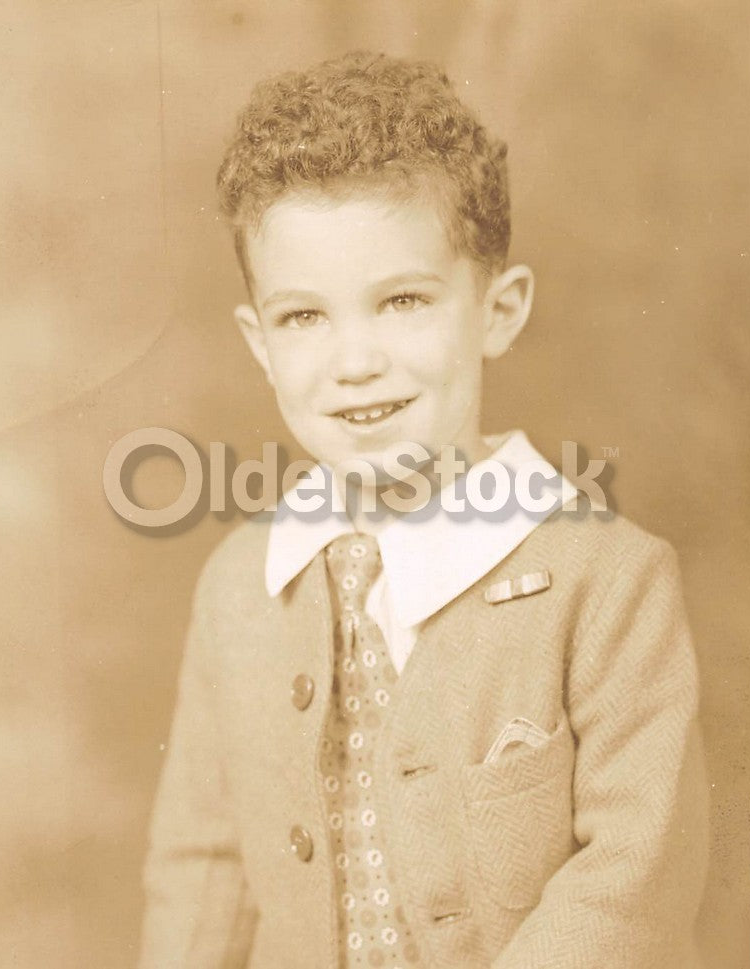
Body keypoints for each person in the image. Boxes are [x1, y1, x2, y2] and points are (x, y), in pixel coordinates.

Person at [138, 51, 708, 968]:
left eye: (401, 300)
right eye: (304, 317)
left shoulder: (607, 576)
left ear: (498, 309)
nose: (354, 359)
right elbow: (204, 867)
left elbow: (633, 877)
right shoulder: (238, 588)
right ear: (259, 342)